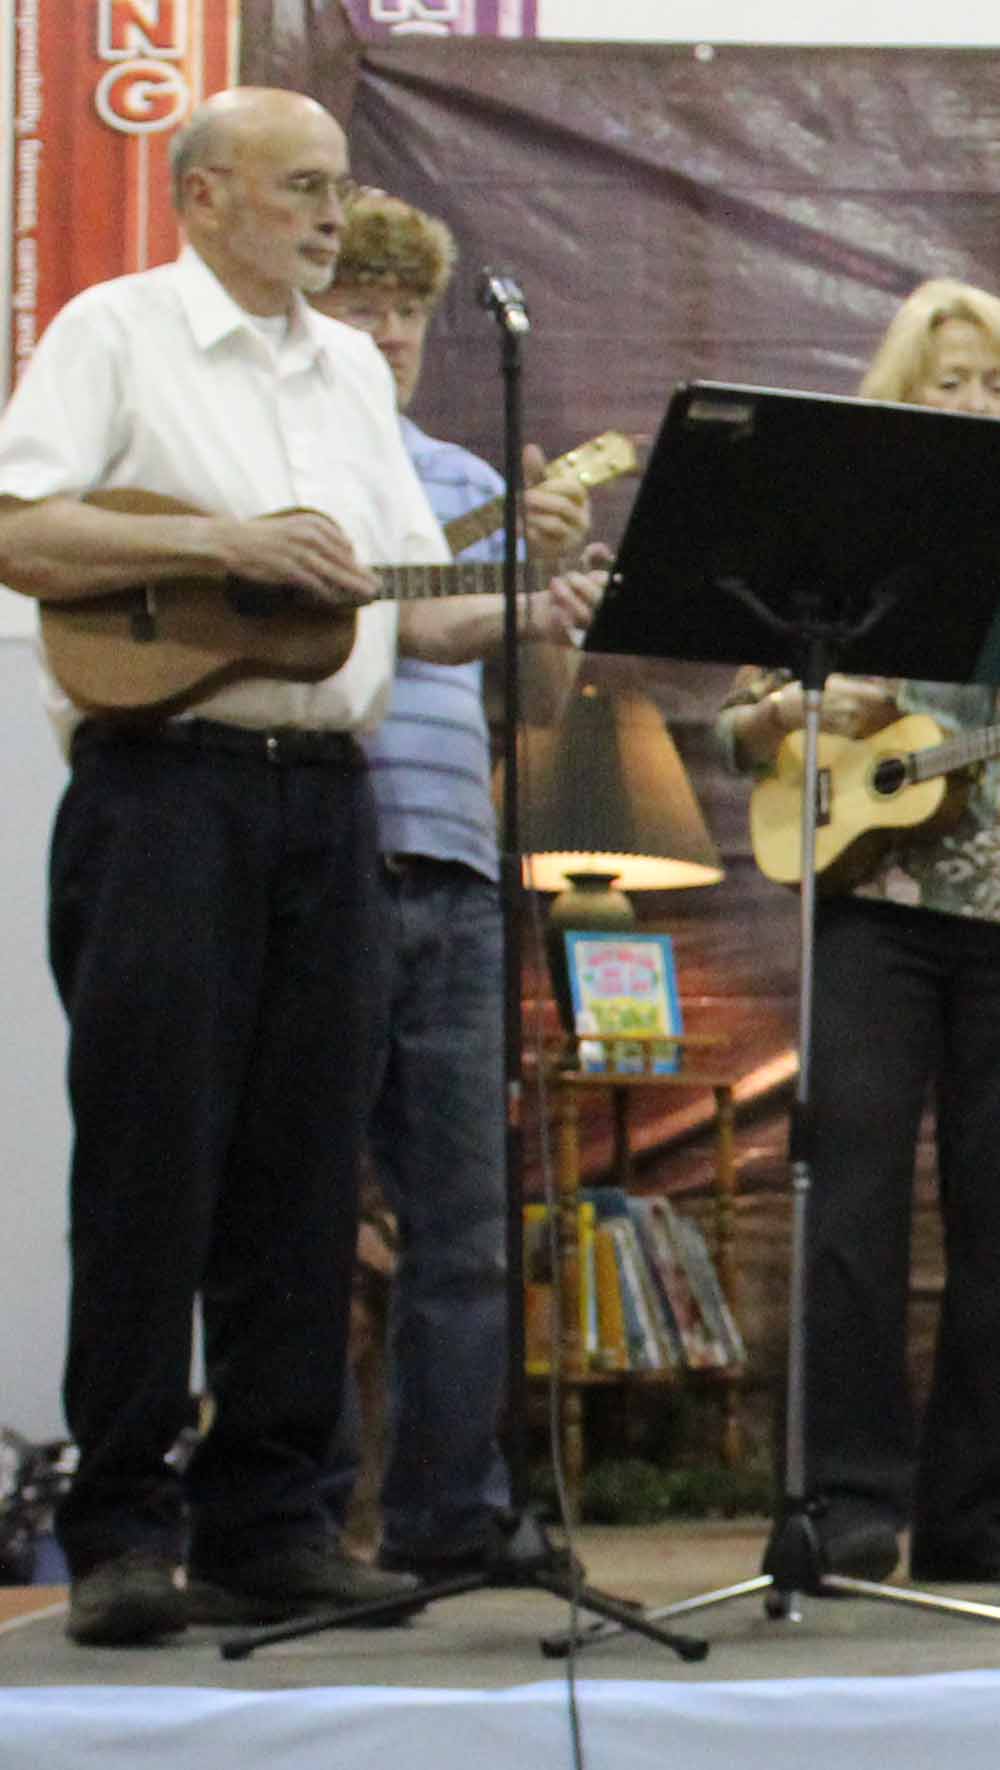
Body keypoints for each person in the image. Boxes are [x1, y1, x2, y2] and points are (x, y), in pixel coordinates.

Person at [0, 88, 589, 1646]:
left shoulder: (344, 369)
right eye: (302, 189)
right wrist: (225, 550)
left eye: (338, 190)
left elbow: (409, 603)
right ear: (203, 196)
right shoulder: (113, 332)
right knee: (150, 1164)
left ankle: (273, 1521)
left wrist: (526, 600)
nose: (333, 219)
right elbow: (22, 530)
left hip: (328, 801)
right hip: (164, 793)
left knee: (304, 1172)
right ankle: (124, 1527)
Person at [713, 278, 1000, 1587]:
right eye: (954, 381)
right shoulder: (844, 524)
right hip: (874, 899)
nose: (981, 402)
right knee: (850, 1198)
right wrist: (805, 714)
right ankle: (846, 1499)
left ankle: (992, 1510)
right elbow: (738, 721)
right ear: (903, 394)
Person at [305, 186, 612, 1580]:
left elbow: (540, 696)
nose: (386, 332)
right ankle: (293, 1519)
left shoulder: (461, 480)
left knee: (469, 1225)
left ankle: (453, 1513)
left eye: (406, 310)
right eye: (357, 301)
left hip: (460, 859)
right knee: (298, 1210)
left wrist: (545, 595)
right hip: (314, 849)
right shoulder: (281, 453)